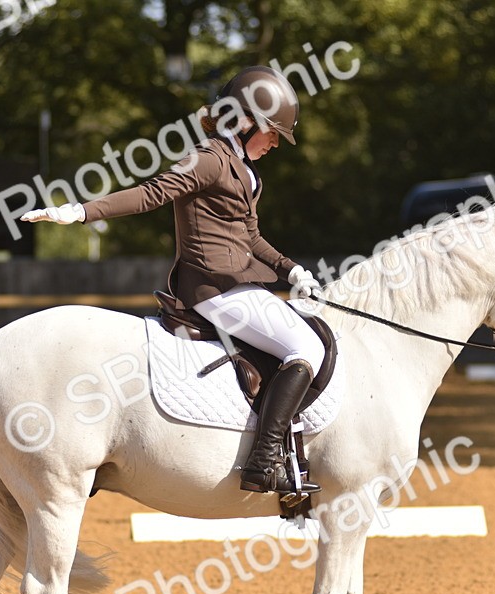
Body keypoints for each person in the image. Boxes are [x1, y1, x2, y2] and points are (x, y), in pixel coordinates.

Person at [22, 66, 324, 496]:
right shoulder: (208, 159)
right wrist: (82, 211)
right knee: (306, 346)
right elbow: (150, 193)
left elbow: (250, 236)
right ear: (246, 120)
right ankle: (264, 461)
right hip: (213, 289)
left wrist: (291, 269)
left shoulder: (244, 169)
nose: (275, 142)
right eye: (272, 132)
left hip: (241, 284)